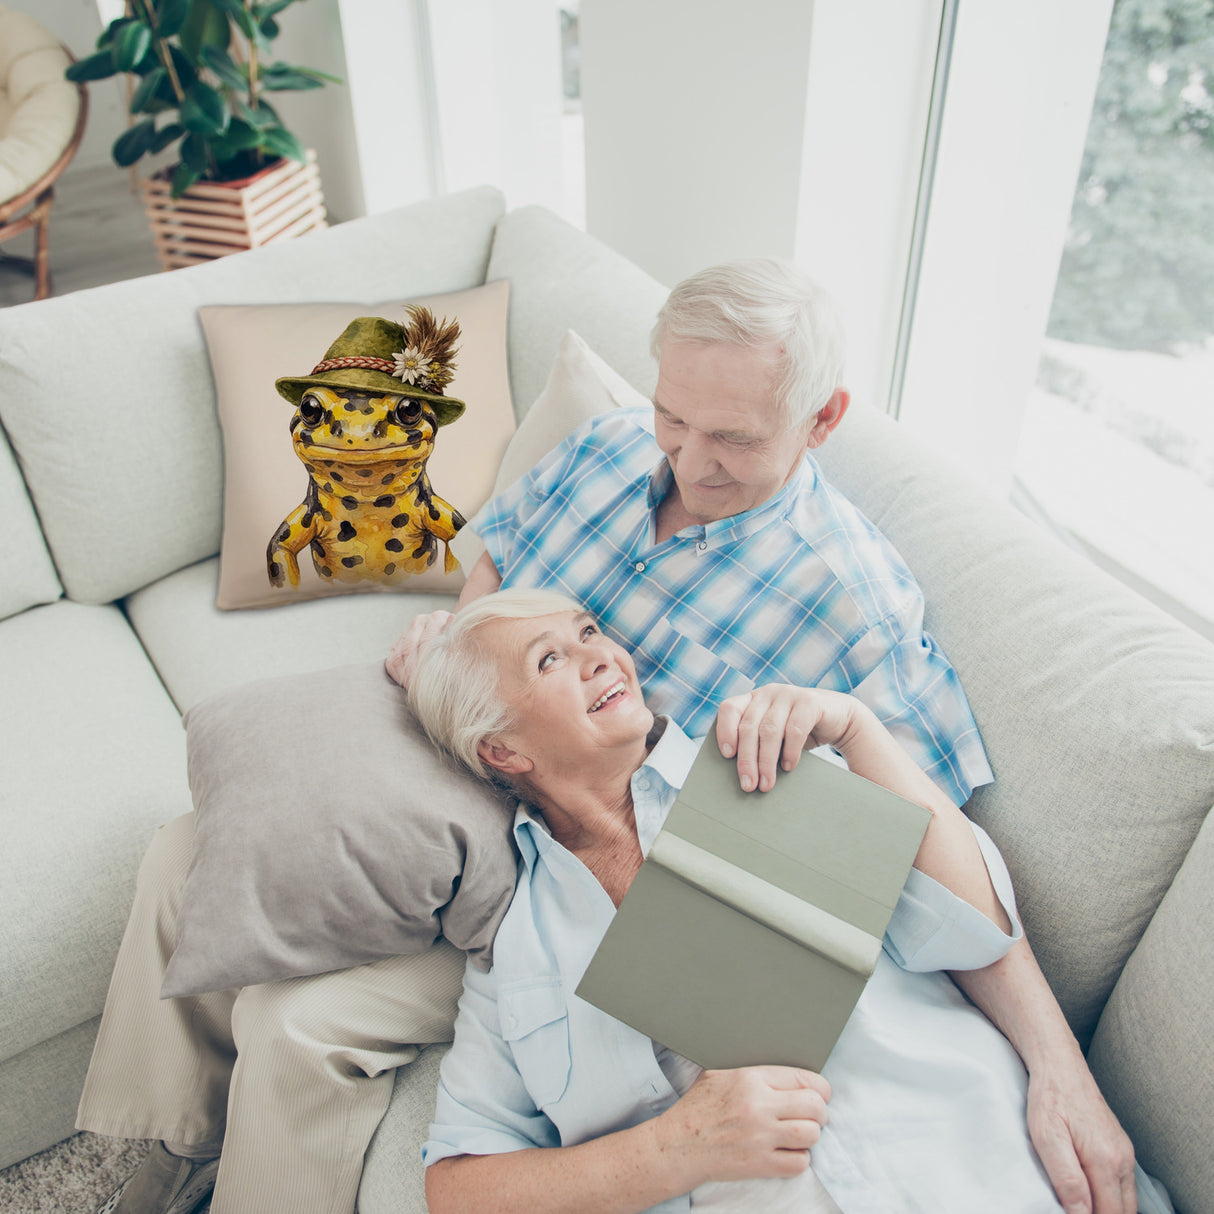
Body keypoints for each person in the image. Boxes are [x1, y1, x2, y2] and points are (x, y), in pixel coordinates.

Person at [389, 259, 1136, 1213]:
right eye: (673, 417)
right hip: (493, 839)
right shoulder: (605, 450)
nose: (689, 461)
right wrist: (457, 657)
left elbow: (943, 884)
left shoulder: (831, 659)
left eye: (733, 438)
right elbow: (498, 560)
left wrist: (1060, 1069)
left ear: (822, 420)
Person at [407, 588, 1159, 1214]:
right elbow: (457, 1188)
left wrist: (857, 729)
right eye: (549, 659)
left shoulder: (763, 763)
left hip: (982, 1165)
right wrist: (675, 1149)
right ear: (502, 750)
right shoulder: (516, 949)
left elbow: (975, 929)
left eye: (589, 632)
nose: (600, 656)